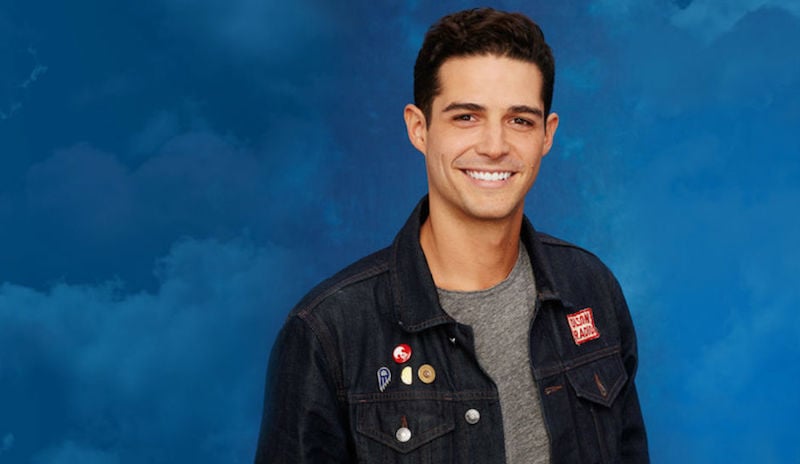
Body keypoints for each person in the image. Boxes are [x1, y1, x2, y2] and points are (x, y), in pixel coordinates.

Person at [255, 7, 648, 463]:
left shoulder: (591, 289)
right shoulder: (329, 333)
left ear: (547, 134)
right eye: (466, 117)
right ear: (419, 128)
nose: (495, 146)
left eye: (520, 119)